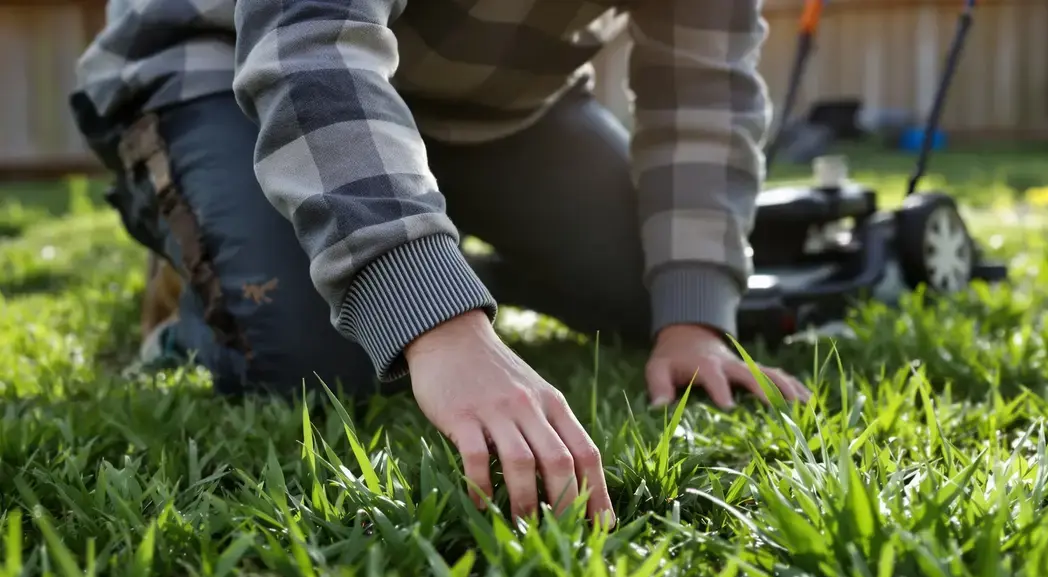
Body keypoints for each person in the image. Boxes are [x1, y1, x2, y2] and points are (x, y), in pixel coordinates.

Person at [70, 0, 810, 524]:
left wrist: (693, 320)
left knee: (651, 288)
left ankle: (405, 231)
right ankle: (211, 269)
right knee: (315, 362)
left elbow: (704, 88)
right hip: (223, 61)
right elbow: (308, 44)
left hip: (497, 109)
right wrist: (437, 323)